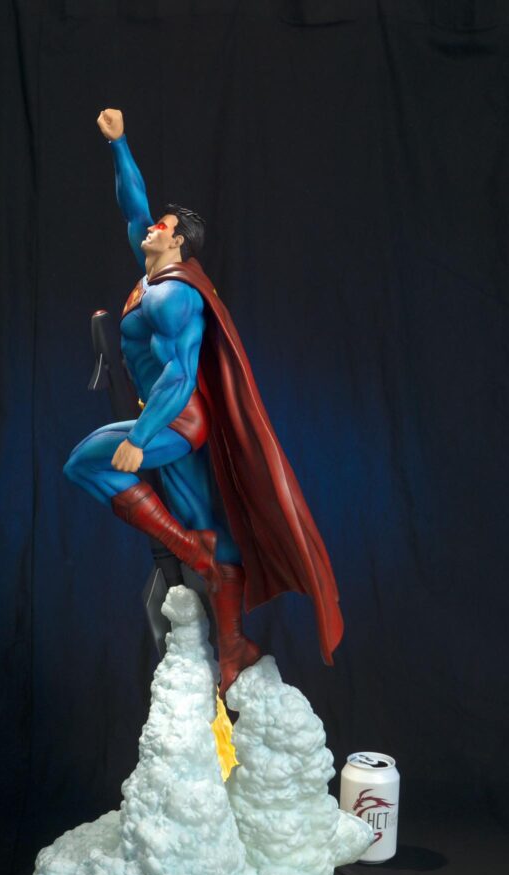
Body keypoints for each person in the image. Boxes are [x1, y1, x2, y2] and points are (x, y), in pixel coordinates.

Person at [65, 109, 343, 696]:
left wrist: (139, 439)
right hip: (167, 420)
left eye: (162, 226)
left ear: (178, 241)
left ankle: (193, 551)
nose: (150, 227)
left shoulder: (171, 297)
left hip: (176, 421)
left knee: (87, 462)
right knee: (208, 521)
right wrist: (119, 145)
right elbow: (133, 205)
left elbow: (179, 375)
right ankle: (233, 645)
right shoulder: (150, 276)